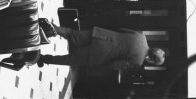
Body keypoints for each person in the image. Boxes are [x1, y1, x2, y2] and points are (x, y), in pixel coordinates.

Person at [37, 26, 165, 70]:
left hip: (101, 35)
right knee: (70, 60)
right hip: (99, 54)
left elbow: (120, 29)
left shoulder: (141, 36)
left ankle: (47, 27)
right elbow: (115, 65)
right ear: (151, 60)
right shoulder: (138, 62)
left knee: (71, 34)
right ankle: (42, 58)